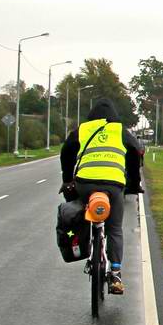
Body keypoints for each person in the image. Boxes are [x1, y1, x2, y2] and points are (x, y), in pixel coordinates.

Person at [59, 99, 143, 294]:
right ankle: (115, 273)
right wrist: (134, 182)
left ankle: (81, 240)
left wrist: (67, 178)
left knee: (80, 211)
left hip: (85, 182)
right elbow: (135, 151)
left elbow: (66, 150)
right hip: (114, 184)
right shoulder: (119, 130)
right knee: (114, 228)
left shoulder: (84, 129)